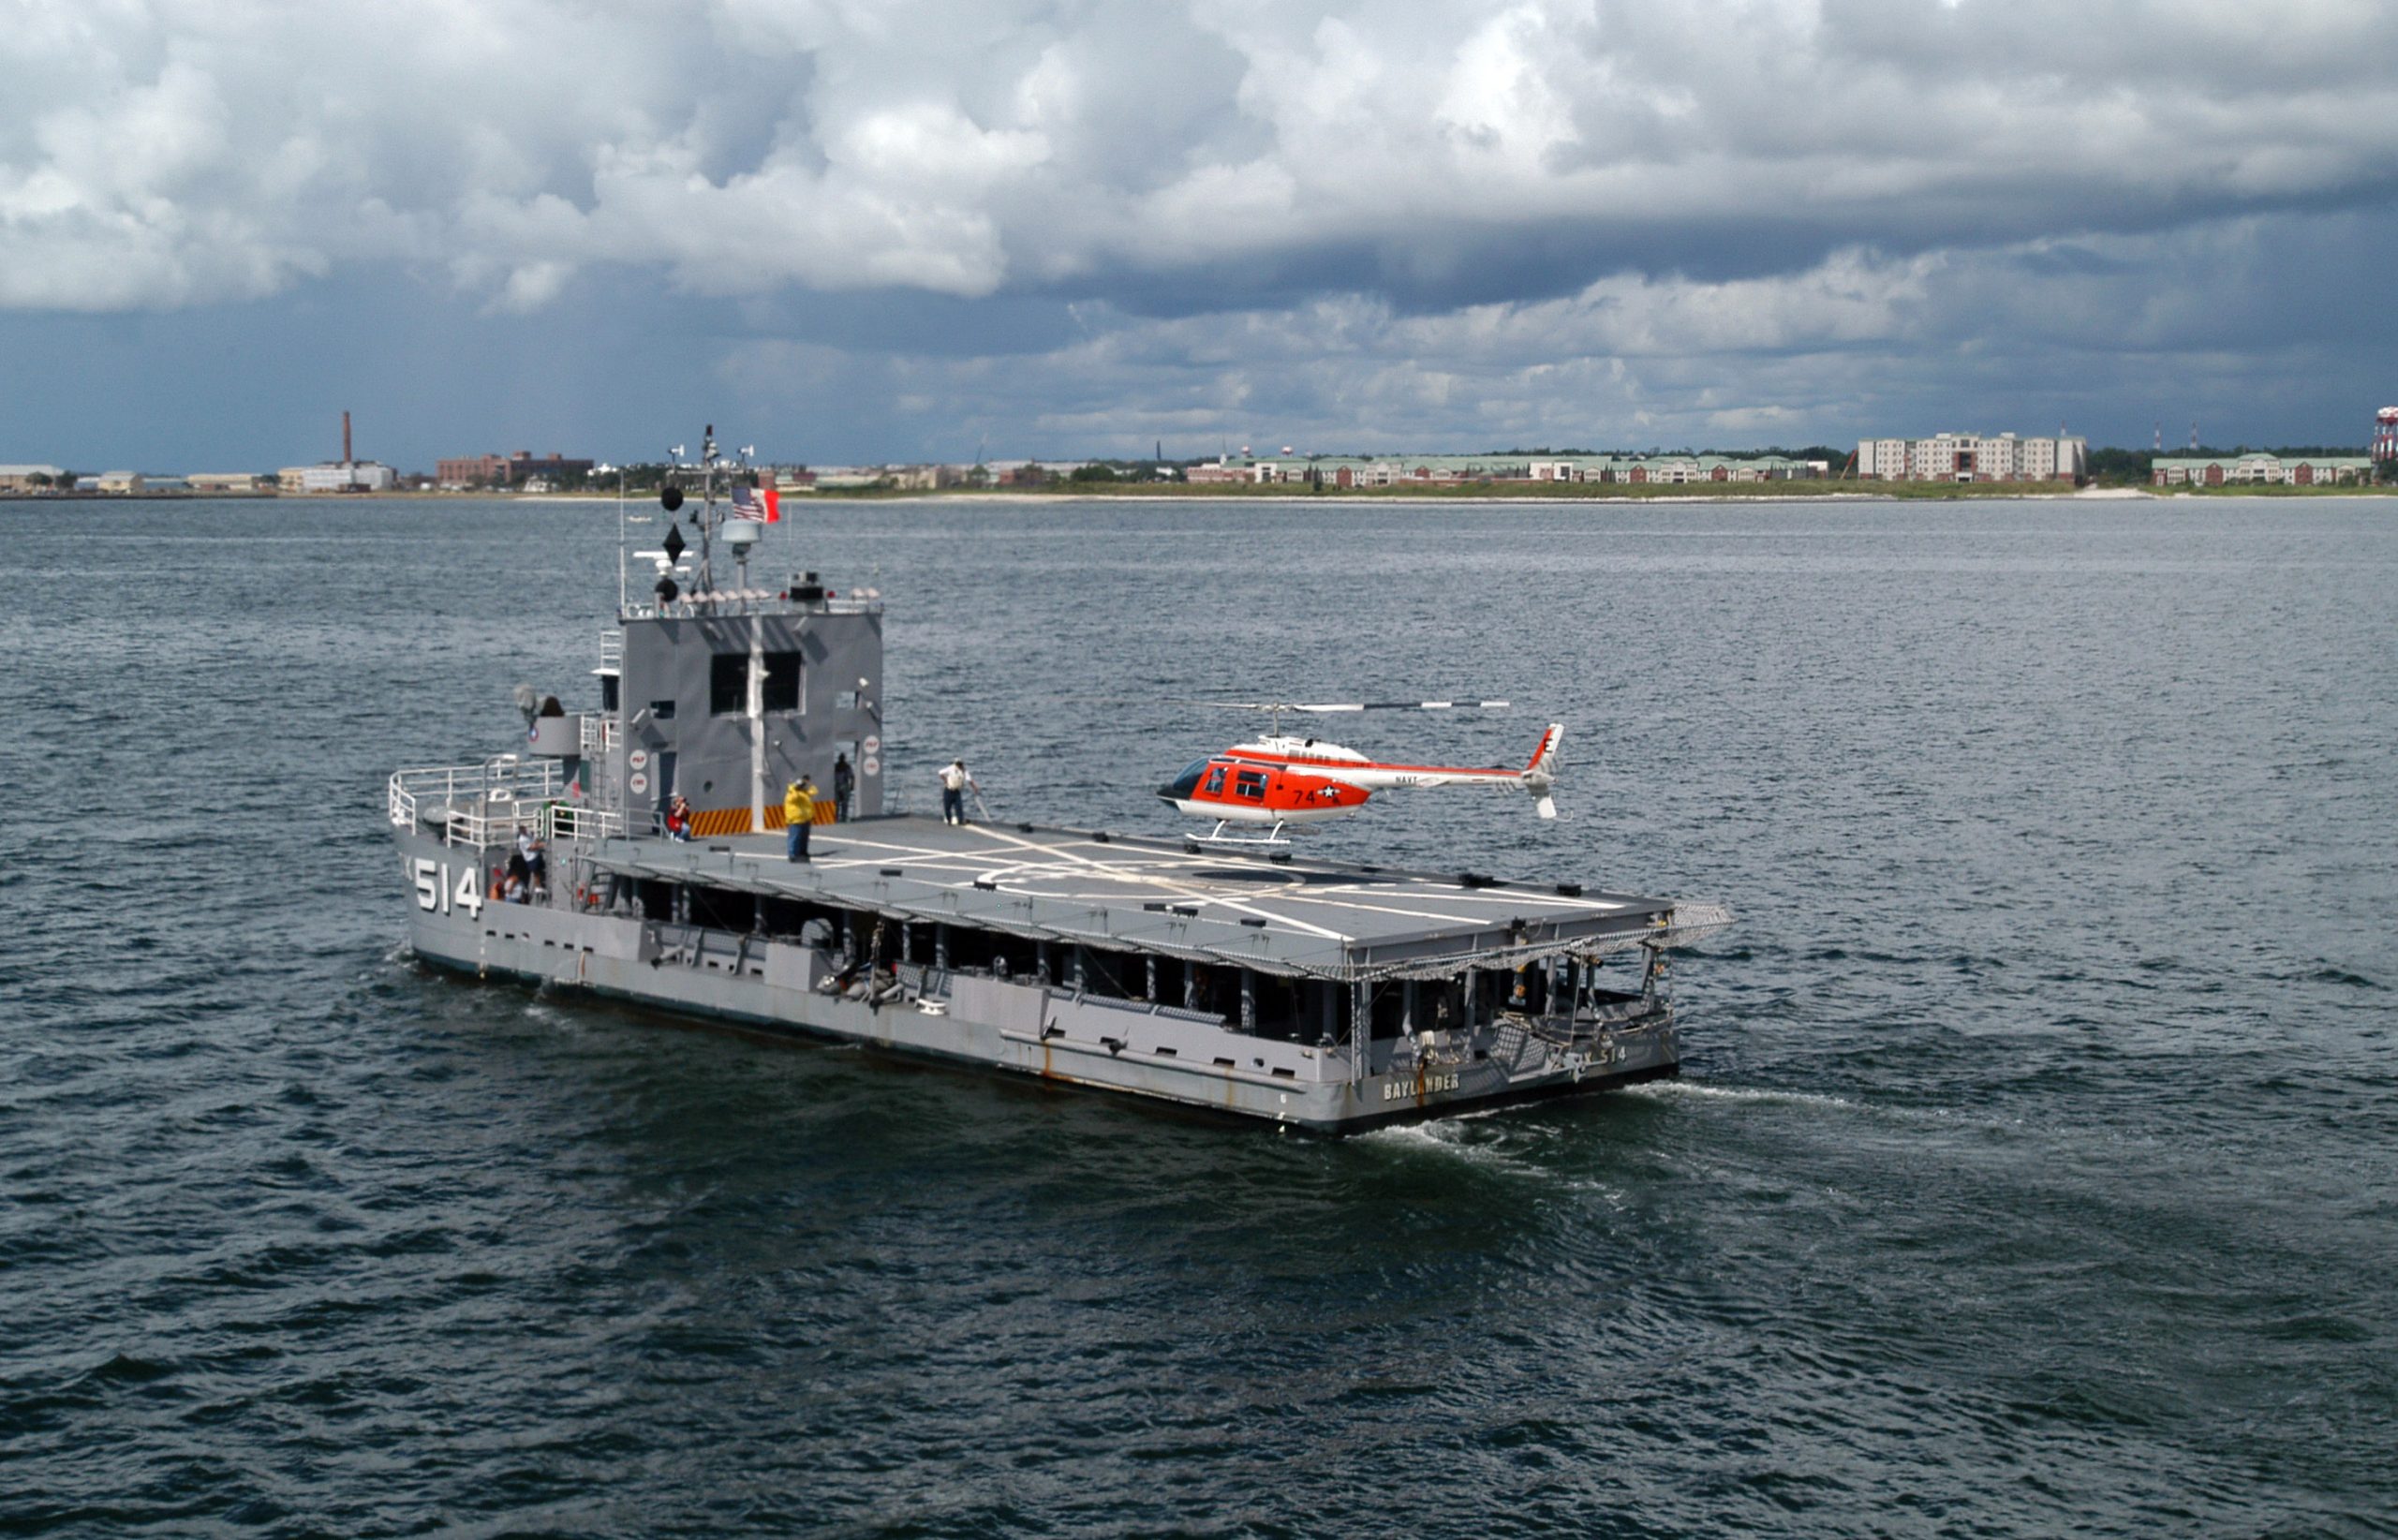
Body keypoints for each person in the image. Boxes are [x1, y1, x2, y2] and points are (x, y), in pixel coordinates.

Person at [784, 776, 818, 862]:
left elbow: (814, 791)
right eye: (801, 786)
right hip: (795, 820)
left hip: (805, 819)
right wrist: (794, 789)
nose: (802, 787)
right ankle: (792, 854)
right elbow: (795, 798)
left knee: (804, 838)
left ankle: (802, 852)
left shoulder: (803, 793)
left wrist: (808, 783)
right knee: (794, 838)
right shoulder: (791, 794)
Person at [940, 760, 979, 825]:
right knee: (947, 807)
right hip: (948, 790)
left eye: (961, 764)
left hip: (957, 791)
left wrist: (974, 787)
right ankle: (949, 820)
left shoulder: (964, 771)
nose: (960, 766)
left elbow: (969, 780)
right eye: (958, 764)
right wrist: (945, 780)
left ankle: (960, 820)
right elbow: (940, 773)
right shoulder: (951, 768)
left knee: (959, 806)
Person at [832, 752, 856, 822]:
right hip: (840, 786)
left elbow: (852, 777)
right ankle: (839, 817)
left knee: (842, 803)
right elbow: (852, 777)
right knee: (839, 804)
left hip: (842, 785)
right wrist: (852, 786)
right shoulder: (840, 766)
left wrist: (852, 786)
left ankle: (842, 817)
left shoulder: (842, 766)